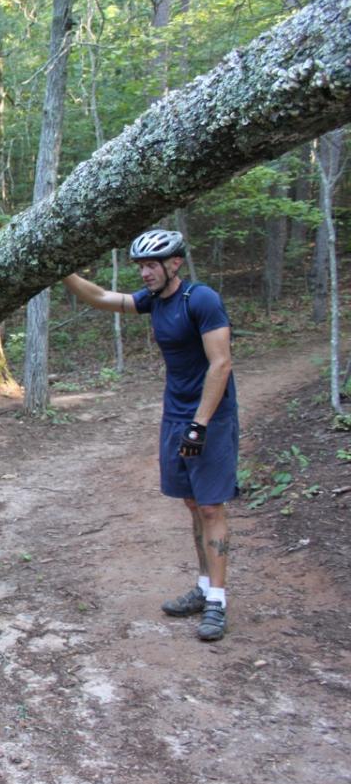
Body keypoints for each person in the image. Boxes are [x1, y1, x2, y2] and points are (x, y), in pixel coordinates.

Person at [62, 229, 238, 641]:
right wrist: (61, 274)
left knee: (211, 508)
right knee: (193, 504)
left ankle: (218, 602)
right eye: (140, 266)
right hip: (175, 415)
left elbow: (221, 365)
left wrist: (199, 424)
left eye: (151, 265)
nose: (144, 273)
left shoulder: (202, 300)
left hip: (209, 418)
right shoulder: (154, 301)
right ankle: (203, 586)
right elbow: (103, 298)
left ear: (174, 264)